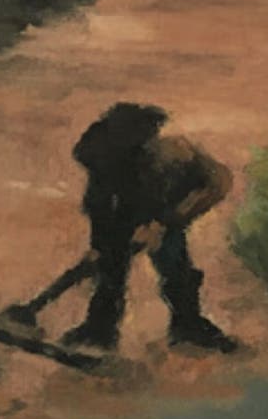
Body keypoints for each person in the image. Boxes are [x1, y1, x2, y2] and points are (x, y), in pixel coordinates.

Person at [59, 102, 243, 356]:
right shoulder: (98, 153)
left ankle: (188, 326)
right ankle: (99, 330)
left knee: (173, 264)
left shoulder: (175, 158)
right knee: (110, 269)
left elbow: (216, 185)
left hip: (170, 202)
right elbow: (98, 205)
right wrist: (100, 248)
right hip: (127, 203)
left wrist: (165, 223)